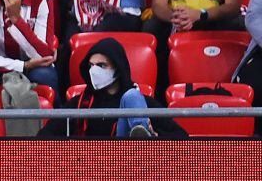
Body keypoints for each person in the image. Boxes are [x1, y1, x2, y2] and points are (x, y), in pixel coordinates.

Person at [38, 38, 185, 138]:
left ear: (117, 68)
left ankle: (142, 133)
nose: (94, 71)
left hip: (130, 165)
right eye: (91, 66)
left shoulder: (143, 102)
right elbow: (44, 136)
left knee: (131, 97)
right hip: (90, 169)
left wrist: (158, 140)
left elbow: (180, 136)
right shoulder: (79, 104)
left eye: (102, 65)